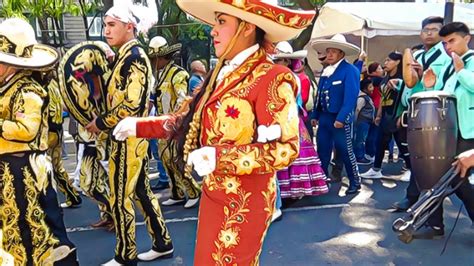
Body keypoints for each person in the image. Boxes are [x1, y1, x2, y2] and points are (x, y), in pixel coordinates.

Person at [113, 0, 316, 264]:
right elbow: (185, 120)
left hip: (245, 203)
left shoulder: (272, 77)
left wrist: (219, 157)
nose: (213, 31)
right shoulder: (220, 73)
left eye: (221, 22)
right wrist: (139, 126)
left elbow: (285, 149)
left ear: (246, 27)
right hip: (213, 194)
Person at [85, 5, 173, 265]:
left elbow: (131, 106)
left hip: (129, 136)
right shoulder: (125, 56)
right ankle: (162, 242)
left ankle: (126, 255)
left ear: (130, 27)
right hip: (131, 136)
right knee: (141, 192)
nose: (106, 30)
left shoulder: (133, 57)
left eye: (112, 24)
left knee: (120, 195)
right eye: (105, 24)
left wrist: (100, 122)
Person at [0, 18, 77, 265]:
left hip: (23, 170)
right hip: (13, 169)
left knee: (34, 228)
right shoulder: (9, 85)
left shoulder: (27, 89)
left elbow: (26, 130)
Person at [414, 21, 474, 239]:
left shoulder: (470, 62)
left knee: (456, 181)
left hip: (469, 132)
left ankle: (435, 224)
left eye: (452, 41)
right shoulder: (451, 66)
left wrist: (461, 72)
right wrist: (431, 87)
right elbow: (449, 97)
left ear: (466, 39)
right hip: (451, 131)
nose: (448, 47)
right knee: (441, 177)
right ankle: (434, 224)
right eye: (445, 43)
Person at [392, 16, 451, 212]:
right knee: (418, 159)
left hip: (435, 113)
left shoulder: (446, 55)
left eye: (434, 29)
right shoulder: (418, 55)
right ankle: (416, 200)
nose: (429, 33)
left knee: (433, 164)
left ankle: (423, 205)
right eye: (426, 30)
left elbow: (444, 86)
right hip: (417, 111)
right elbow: (412, 85)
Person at [148, 36, 201, 208]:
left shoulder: (178, 74)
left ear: (164, 57)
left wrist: (177, 121)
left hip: (175, 124)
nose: (154, 62)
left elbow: (182, 101)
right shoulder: (160, 75)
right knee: (165, 160)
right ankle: (176, 192)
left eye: (156, 59)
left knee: (176, 160)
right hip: (163, 125)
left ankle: (193, 190)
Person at [310, 34, 361, 195]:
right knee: (322, 150)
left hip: (339, 117)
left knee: (345, 150)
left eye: (334, 52)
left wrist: (341, 118)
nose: (330, 54)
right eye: (328, 51)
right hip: (325, 117)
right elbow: (319, 95)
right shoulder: (326, 71)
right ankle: (322, 180)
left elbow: (351, 97)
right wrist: (315, 114)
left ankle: (355, 181)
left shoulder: (349, 70)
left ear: (342, 54)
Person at [353, 79, 375, 164]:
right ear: (365, 89)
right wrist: (355, 121)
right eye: (370, 87)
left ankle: (360, 155)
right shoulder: (362, 98)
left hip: (366, 122)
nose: (372, 88)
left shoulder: (367, 97)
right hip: (362, 122)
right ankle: (359, 156)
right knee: (360, 139)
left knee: (362, 138)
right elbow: (357, 110)